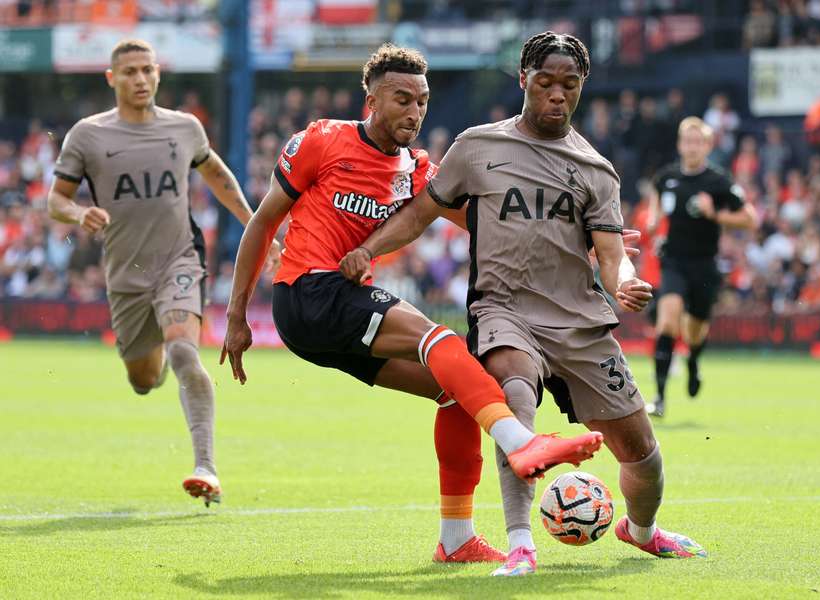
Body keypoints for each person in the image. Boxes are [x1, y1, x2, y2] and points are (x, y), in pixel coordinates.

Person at [219, 43, 604, 564]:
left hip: (340, 308)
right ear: (371, 99)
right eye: (402, 99)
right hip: (308, 291)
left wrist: (583, 237)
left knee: (459, 392)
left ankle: (456, 539)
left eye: (422, 101)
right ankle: (521, 443)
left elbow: (488, 220)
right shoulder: (321, 140)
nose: (414, 112)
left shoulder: (417, 170)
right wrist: (237, 314)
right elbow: (264, 222)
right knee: (437, 340)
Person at [340, 32, 707, 577]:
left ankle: (643, 531)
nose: (557, 95)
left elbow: (611, 254)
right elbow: (419, 214)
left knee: (643, 454)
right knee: (514, 401)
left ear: (582, 88)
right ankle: (520, 545)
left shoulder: (596, 169)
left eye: (570, 85)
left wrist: (626, 281)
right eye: (546, 82)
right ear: (523, 81)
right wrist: (367, 248)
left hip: (580, 322)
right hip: (503, 310)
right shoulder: (476, 146)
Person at [48, 39, 280, 506]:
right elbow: (55, 200)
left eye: (147, 70)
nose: (139, 79)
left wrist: (258, 227)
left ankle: (206, 467)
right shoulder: (87, 136)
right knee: (143, 378)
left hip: (179, 259)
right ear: (112, 78)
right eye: (129, 71)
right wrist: (78, 215)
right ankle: (147, 371)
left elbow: (217, 175)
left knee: (183, 351)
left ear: (158, 75)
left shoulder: (185, 128)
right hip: (124, 274)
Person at [647, 117, 758, 417]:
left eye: (699, 141)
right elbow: (656, 205)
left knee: (695, 332)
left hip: (704, 265)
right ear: (680, 144)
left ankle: (693, 361)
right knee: (667, 321)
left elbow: (750, 218)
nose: (692, 146)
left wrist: (715, 214)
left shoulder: (718, 182)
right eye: (687, 140)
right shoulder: (666, 177)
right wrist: (655, 224)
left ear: (707, 146)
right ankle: (659, 397)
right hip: (673, 261)